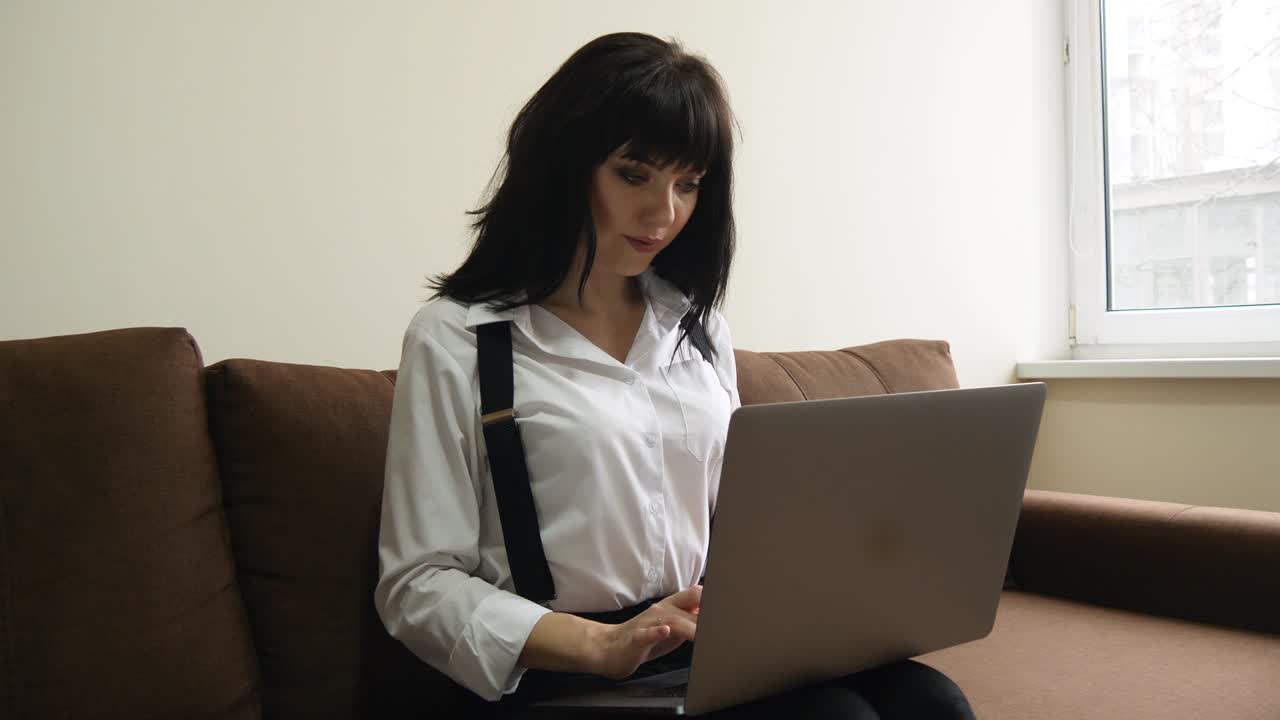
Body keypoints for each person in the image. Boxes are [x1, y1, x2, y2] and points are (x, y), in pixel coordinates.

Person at [375, 31, 976, 719]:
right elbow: (416, 584)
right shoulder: (459, 337)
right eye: (634, 174)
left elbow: (742, 525)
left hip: (708, 646)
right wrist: (602, 644)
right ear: (563, 167)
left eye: (687, 184)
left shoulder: (698, 330)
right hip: (562, 672)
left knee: (934, 701)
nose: (664, 213)